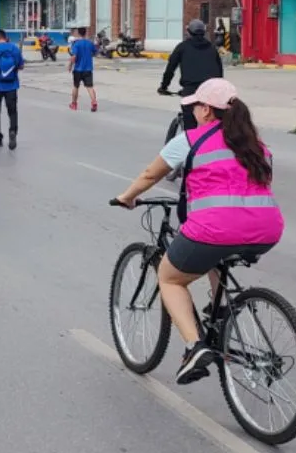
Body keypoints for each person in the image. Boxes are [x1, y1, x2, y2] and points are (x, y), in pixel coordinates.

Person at [113, 79, 283, 384]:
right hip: (266, 229)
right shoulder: (257, 146)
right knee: (217, 255)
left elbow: (151, 174)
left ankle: (194, 347)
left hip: (215, 229)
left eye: (195, 105)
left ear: (206, 110)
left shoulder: (191, 140)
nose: (192, 110)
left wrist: (127, 197)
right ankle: (219, 316)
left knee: (169, 278)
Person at [158, 19, 224, 131]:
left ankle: (191, 142)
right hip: (211, 90)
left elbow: (170, 69)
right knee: (213, 123)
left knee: (190, 127)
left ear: (188, 32)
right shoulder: (212, 48)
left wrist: (164, 86)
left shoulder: (182, 47)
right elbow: (219, 72)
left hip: (191, 90)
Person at [69, 26, 99, 112]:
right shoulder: (90, 43)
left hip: (78, 69)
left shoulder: (76, 44)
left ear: (78, 33)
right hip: (88, 69)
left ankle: (74, 104)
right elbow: (96, 53)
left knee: (76, 86)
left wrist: (70, 65)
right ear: (85, 33)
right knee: (89, 87)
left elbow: (74, 57)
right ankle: (94, 102)